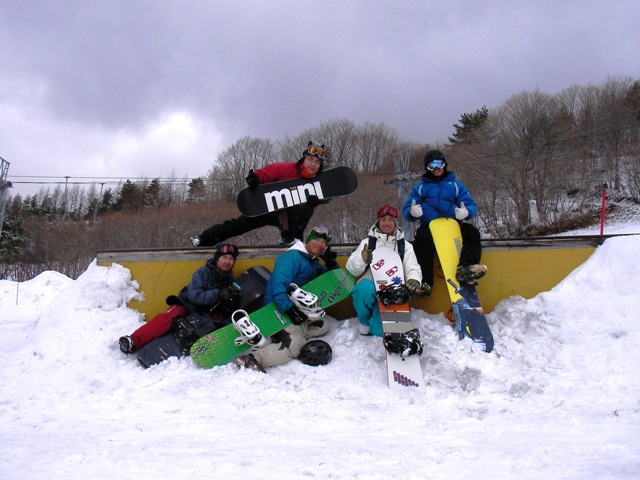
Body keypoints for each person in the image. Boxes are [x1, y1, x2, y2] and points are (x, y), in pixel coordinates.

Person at [235, 226, 338, 372]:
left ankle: (287, 335)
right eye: (317, 239)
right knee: (295, 346)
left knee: (323, 325)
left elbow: (332, 281)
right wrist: (289, 309)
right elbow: (278, 286)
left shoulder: (313, 263)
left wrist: (331, 264)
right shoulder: (291, 257)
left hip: (297, 310)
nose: (320, 244)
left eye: (323, 242)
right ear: (308, 240)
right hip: (277, 312)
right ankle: (253, 359)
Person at [191, 142, 328, 247]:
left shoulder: (316, 183)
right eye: (310, 159)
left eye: (317, 162)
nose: (313, 164)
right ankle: (203, 239)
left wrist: (314, 204)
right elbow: (267, 173)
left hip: (289, 216)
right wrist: (255, 178)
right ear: (303, 159)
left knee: (306, 209)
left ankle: (291, 239)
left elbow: (310, 210)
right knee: (239, 225)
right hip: (267, 209)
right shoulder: (286, 168)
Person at [118, 243, 242, 354]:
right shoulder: (203, 272)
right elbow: (195, 295)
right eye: (224, 257)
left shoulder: (230, 282)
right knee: (170, 317)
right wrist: (218, 294)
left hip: (200, 316)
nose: (227, 262)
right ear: (217, 258)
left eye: (231, 259)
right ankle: (133, 341)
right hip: (185, 305)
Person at [402, 149, 486, 296]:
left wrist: (466, 212)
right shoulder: (421, 188)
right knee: (422, 238)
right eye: (432, 166)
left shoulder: (455, 185)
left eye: (439, 164)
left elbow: (470, 204)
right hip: (430, 225)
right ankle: (425, 281)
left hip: (452, 224)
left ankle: (465, 267)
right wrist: (412, 212)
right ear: (427, 168)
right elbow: (407, 209)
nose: (436, 169)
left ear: (444, 165)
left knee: (472, 232)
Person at [345, 205, 423, 337]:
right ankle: (364, 321)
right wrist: (362, 259)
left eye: (391, 220)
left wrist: (414, 279)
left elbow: (412, 267)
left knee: (381, 332)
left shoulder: (405, 246)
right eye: (383, 220)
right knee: (363, 289)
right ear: (378, 222)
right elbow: (352, 269)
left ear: (396, 223)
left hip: (393, 285)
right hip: (371, 280)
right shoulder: (367, 243)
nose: (387, 223)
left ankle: (379, 320)